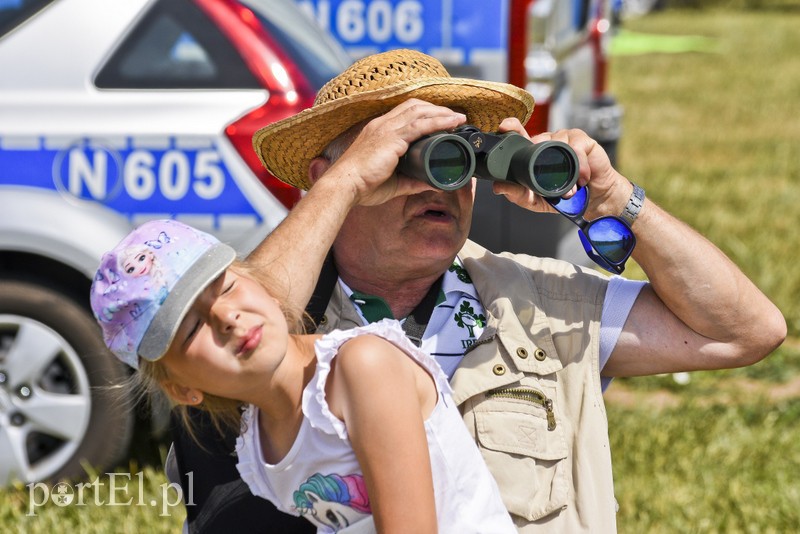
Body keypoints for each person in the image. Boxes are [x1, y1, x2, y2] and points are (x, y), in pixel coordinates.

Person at [168, 49, 787, 532]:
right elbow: (244, 310)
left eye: (461, 160)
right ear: (337, 177)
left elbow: (746, 332)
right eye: (413, 160)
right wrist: (348, 181)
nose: (441, 185)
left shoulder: (535, 302)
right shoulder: (268, 334)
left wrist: (616, 200)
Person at [90, 218, 515, 534]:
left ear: (263, 283)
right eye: (191, 328)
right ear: (183, 389)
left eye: (226, 288)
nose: (226, 317)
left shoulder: (362, 368)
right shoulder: (257, 450)